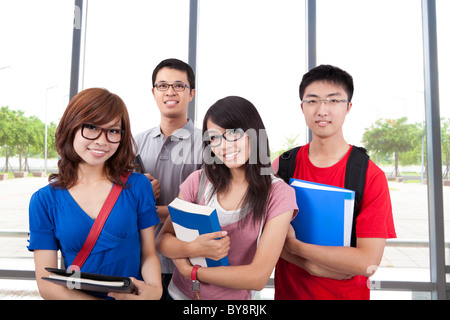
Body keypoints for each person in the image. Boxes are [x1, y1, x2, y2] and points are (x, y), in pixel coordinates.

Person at [155, 96, 298, 300]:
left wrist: (192, 272)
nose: (223, 146)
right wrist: (192, 247)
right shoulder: (198, 180)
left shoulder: (278, 194)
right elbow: (163, 240)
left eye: (233, 134)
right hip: (179, 295)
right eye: (214, 138)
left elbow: (257, 277)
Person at [273, 64, 396, 300]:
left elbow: (367, 261)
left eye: (333, 101)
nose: (322, 110)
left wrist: (296, 248)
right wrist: (313, 266)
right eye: (312, 101)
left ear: (348, 107)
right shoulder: (283, 165)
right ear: (302, 107)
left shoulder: (369, 175)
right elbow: (260, 234)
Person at [28, 88, 162, 300]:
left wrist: (155, 290)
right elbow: (48, 286)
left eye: (113, 131)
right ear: (70, 127)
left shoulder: (137, 186)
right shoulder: (44, 200)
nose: (102, 140)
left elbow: (148, 254)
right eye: (91, 127)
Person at [134, 58, 203, 299]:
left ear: (191, 93)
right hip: (141, 261)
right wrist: (137, 194)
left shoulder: (209, 144)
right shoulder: (133, 143)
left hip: (189, 263)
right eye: (162, 86)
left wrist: (147, 208)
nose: (170, 92)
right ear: (153, 92)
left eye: (179, 86)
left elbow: (207, 208)